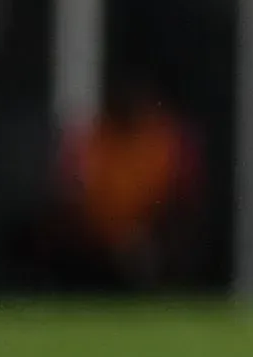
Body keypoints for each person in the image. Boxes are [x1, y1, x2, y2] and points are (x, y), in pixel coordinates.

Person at [48, 72, 205, 290]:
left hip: (153, 236)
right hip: (97, 238)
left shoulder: (165, 139)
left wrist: (144, 235)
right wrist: (112, 236)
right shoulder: (92, 139)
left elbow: (183, 199)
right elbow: (72, 197)